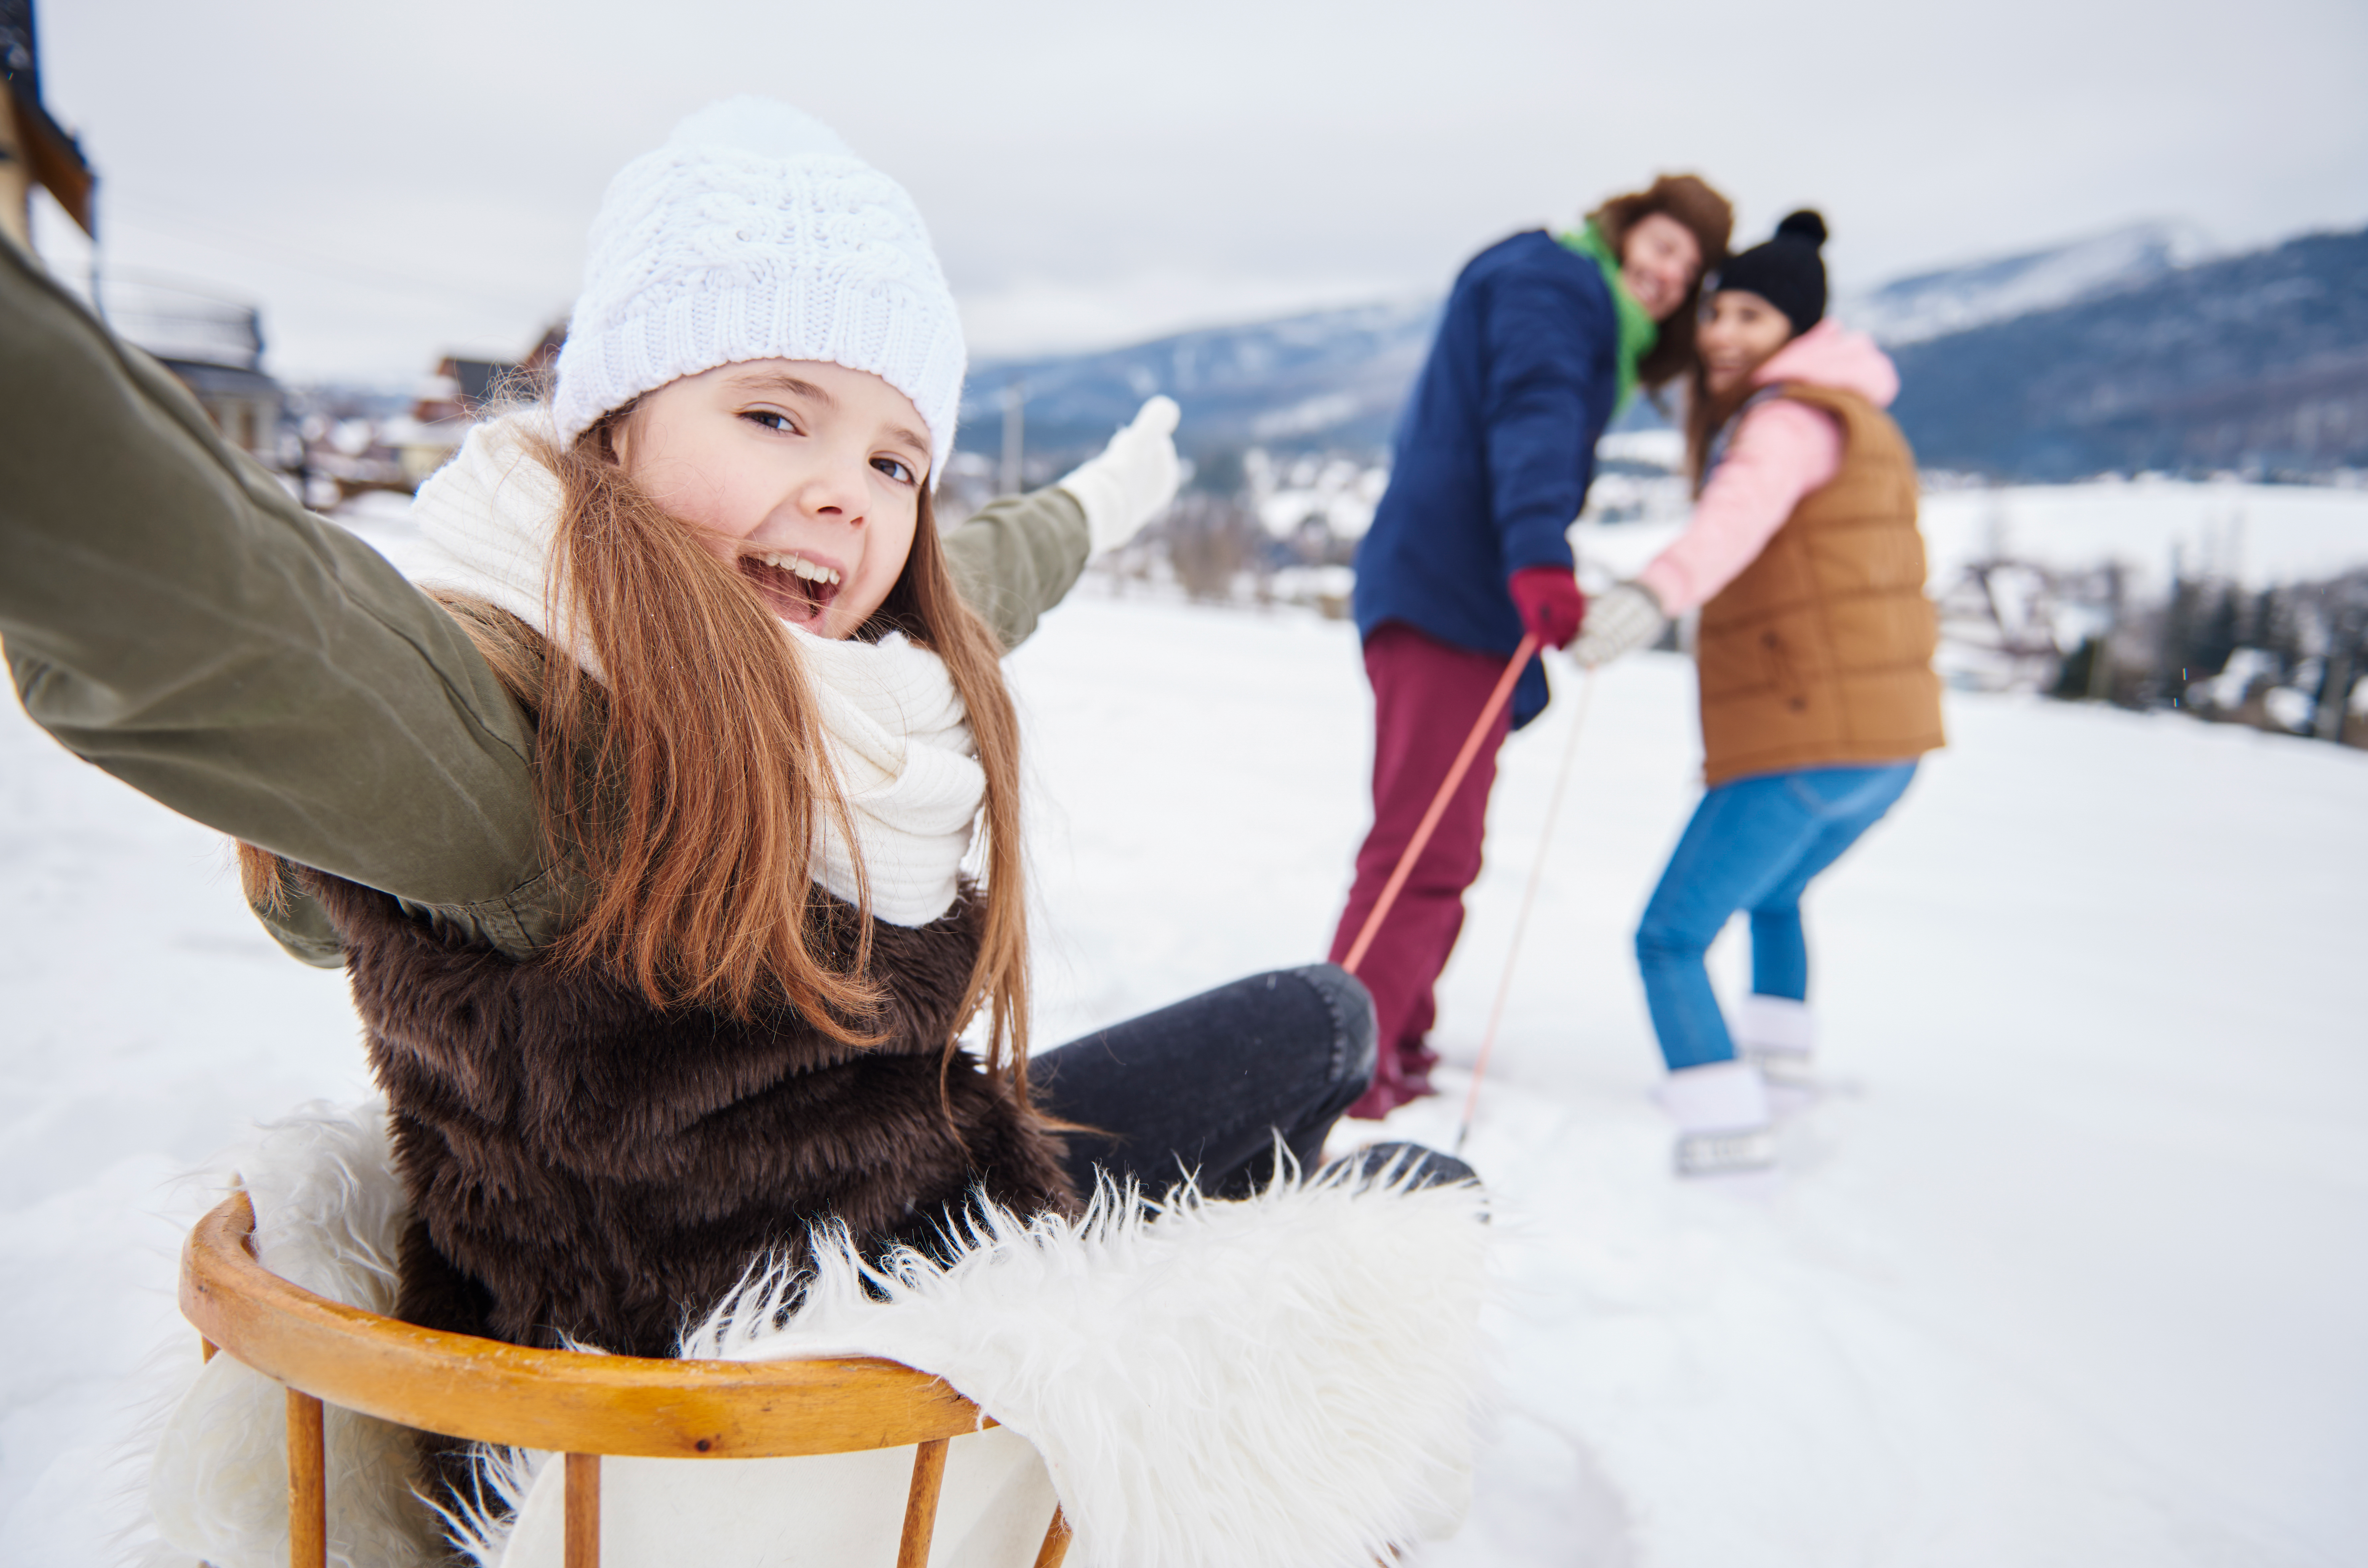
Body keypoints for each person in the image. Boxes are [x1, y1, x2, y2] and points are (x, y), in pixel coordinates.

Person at [1, 99, 1468, 1514]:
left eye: (897, 458)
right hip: (785, 1399)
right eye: (776, 415)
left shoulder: (830, 685)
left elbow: (989, 581)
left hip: (907, 1213)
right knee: (1415, 1183)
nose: (851, 496)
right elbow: (233, 609)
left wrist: (1108, 496)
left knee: (1323, 1014)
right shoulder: (510, 736)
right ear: (617, 429)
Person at [1330, 175, 1734, 1118]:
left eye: (1690, 267)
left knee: (1447, 838)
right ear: (1627, 228)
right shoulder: (1557, 288)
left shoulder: (1565, 295)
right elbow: (1534, 419)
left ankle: (1396, 1028)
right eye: (1665, 246)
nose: (1671, 275)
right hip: (1447, 594)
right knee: (1422, 838)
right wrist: (1542, 562)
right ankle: (1344, 1056)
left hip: (1456, 601)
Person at [1572, 211, 1947, 1176]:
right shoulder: (1857, 411)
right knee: (1776, 897)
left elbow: (1735, 520)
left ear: (1796, 326)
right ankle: (1779, 1076)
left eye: (1750, 315)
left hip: (1806, 740)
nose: (1725, 334)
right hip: (1886, 749)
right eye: (1717, 313)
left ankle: (1722, 1121)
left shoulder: (1787, 419)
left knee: (1669, 937)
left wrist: (1654, 591)